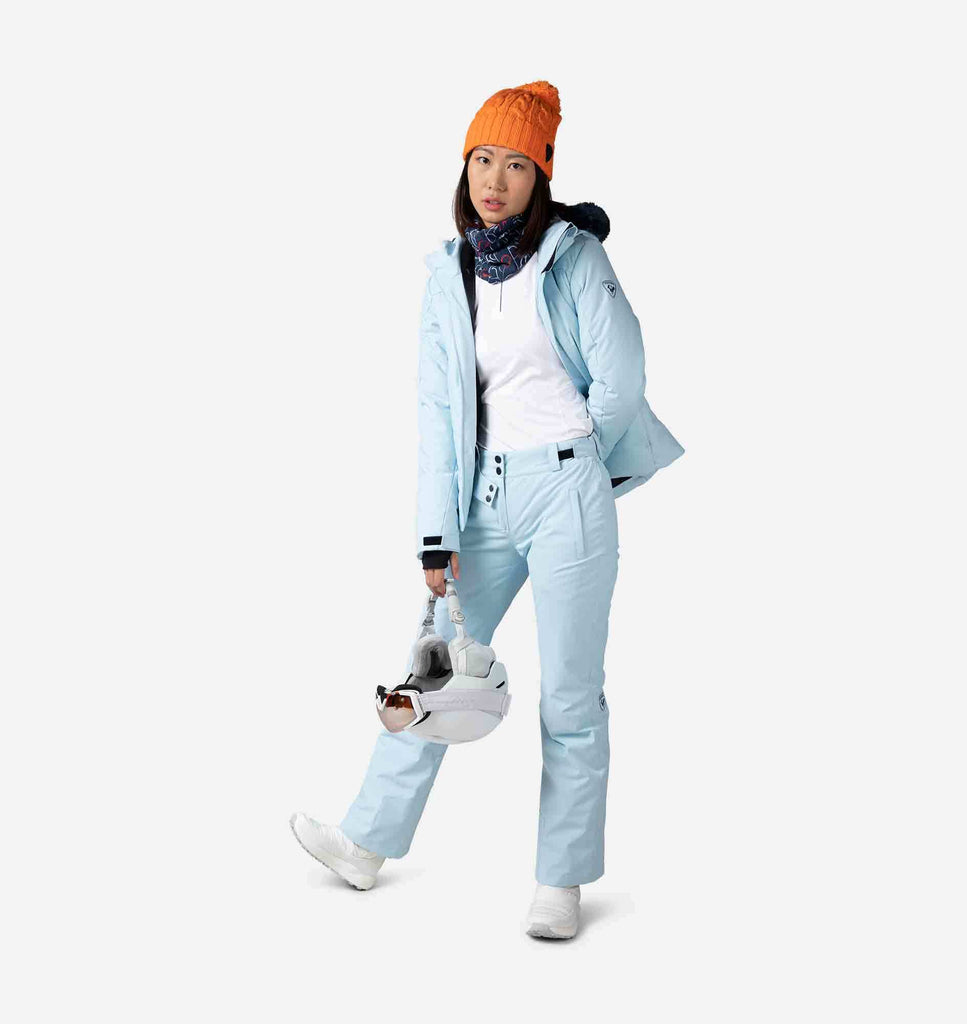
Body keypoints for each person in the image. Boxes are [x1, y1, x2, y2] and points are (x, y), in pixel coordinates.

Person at [291, 80, 684, 939]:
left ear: (540, 176)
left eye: (515, 164)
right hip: (483, 497)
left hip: (568, 489)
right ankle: (365, 842)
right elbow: (439, 412)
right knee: (432, 672)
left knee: (570, 693)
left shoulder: (575, 257)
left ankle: (560, 881)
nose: (495, 180)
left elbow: (622, 375)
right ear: (464, 168)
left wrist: (581, 460)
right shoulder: (450, 275)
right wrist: (437, 535)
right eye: (481, 160)